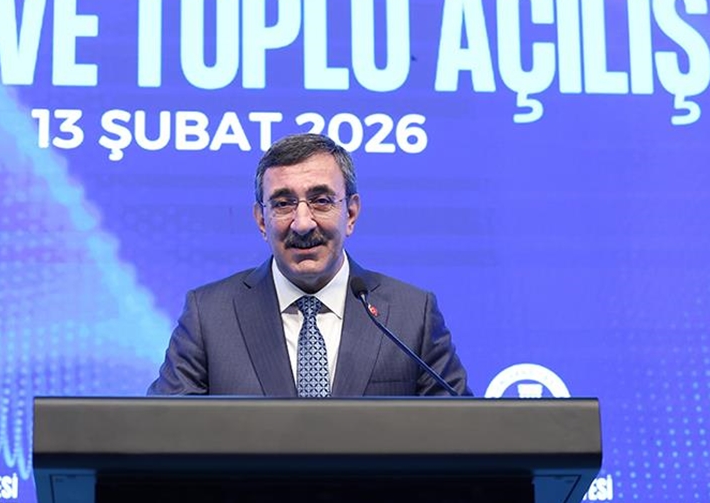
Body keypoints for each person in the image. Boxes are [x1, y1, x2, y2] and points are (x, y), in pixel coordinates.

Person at [148, 133, 471, 397]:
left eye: (321, 201)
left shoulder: (411, 314)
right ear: (261, 220)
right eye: (283, 203)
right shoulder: (209, 314)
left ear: (351, 214)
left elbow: (461, 433)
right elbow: (162, 431)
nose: (302, 223)